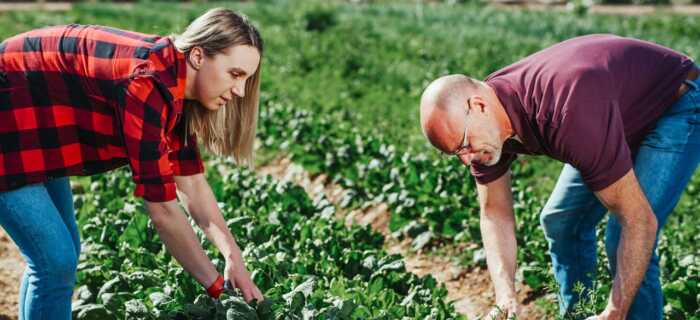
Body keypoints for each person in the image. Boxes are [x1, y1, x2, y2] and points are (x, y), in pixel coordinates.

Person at [0, 7, 264, 319]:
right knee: (53, 261)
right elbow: (163, 210)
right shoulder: (148, 85)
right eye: (235, 74)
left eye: (246, 79)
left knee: (60, 257)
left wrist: (232, 256)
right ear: (197, 57)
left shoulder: (175, 86)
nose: (239, 91)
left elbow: (190, 182)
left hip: (36, 121)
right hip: (10, 108)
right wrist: (218, 289)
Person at [419, 34, 699, 320]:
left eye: (464, 144)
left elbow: (639, 221)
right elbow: (494, 214)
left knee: (621, 233)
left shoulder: (565, 114)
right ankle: (580, 314)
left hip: (677, 103)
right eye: (455, 153)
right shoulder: (487, 131)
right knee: (562, 221)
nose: (466, 158)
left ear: (478, 106)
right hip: (613, 111)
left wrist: (614, 313)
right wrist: (505, 298)